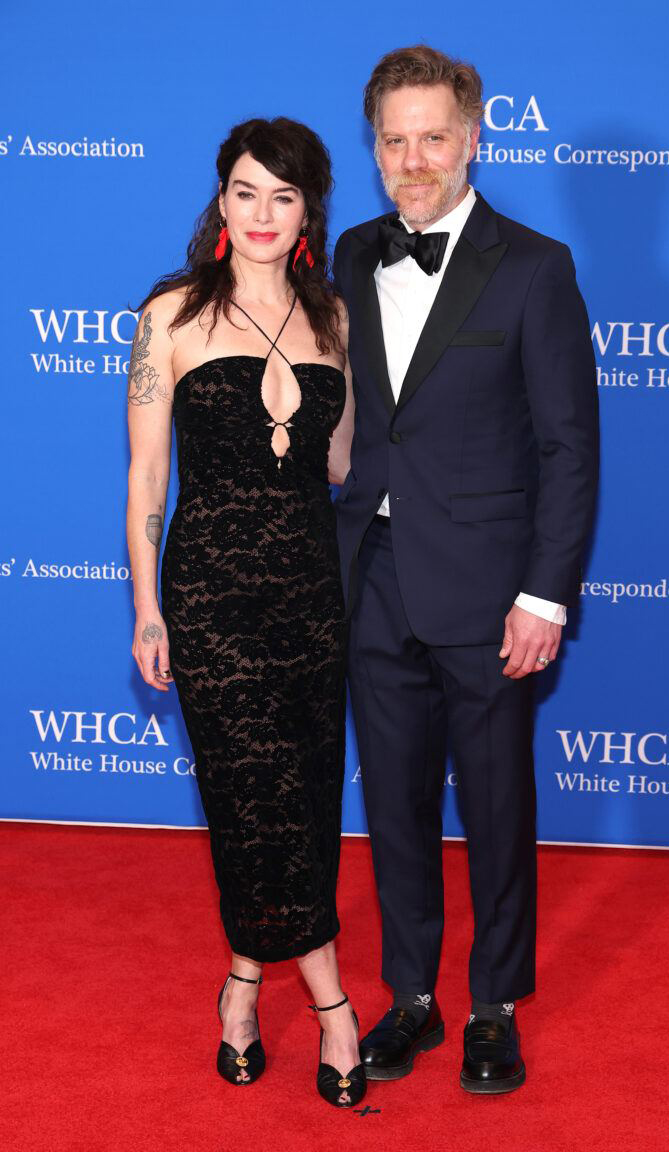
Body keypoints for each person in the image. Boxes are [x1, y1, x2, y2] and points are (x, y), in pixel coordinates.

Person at [332, 46, 599, 1094]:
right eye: (393, 140)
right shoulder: (351, 254)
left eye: (433, 136)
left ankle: (494, 1003)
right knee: (393, 802)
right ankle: (412, 998)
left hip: (490, 585)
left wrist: (544, 594)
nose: (413, 159)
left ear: (474, 136)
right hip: (372, 572)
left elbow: (568, 447)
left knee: (494, 801)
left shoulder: (536, 265)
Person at [125, 117, 364, 1108]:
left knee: (303, 799)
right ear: (220, 201)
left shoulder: (334, 319)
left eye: (284, 196)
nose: (263, 214)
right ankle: (335, 1008)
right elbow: (146, 476)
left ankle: (239, 985)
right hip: (211, 601)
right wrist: (148, 613)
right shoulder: (172, 316)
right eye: (245, 192)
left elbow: (339, 464)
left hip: (311, 598)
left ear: (307, 212)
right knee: (254, 798)